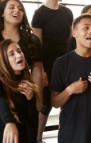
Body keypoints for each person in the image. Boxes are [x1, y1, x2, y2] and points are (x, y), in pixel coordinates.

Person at [50, 14, 91, 143]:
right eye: (86, 28)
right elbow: (55, 102)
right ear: (74, 33)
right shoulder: (61, 63)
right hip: (71, 133)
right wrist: (70, 90)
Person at [31, 0, 73, 142]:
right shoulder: (40, 13)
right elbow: (37, 44)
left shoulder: (67, 12)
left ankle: (64, 135)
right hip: (47, 65)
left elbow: (69, 41)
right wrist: (41, 70)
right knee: (45, 105)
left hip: (65, 64)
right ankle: (37, 138)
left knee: (66, 101)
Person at [0, 39, 41, 143]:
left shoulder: (27, 84)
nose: (19, 55)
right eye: (11, 54)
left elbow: (32, 126)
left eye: (19, 51)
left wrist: (30, 99)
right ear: (3, 60)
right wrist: (9, 122)